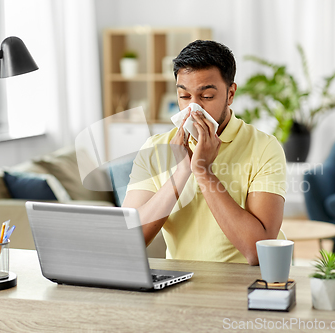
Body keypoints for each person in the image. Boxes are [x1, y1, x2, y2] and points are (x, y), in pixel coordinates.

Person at [122, 40, 286, 265]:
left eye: (206, 97)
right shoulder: (154, 148)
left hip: (245, 284)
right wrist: (182, 172)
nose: (193, 109)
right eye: (185, 97)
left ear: (230, 94)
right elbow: (128, 240)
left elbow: (259, 252)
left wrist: (203, 172)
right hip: (181, 284)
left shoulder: (264, 147)